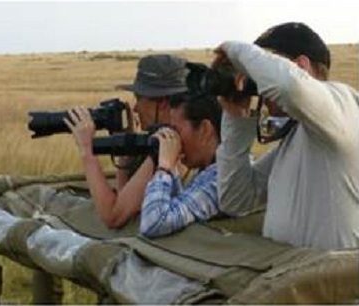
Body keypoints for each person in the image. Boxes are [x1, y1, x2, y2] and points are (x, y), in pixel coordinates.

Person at [214, 22, 359, 250]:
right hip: (294, 280)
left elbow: (288, 86)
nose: (261, 87)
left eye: (261, 70)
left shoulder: (345, 107)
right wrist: (236, 117)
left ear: (301, 67)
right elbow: (236, 199)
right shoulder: (299, 137)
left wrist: (235, 50)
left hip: (338, 283)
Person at [64, 54, 190, 229]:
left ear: (162, 103)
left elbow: (113, 216)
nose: (136, 108)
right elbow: (126, 201)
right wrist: (125, 149)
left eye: (139, 98)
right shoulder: (177, 136)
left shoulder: (173, 145)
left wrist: (87, 151)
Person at [140, 92, 222, 237]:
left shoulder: (220, 180)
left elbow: (153, 223)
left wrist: (164, 168)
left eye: (176, 131)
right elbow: (177, 208)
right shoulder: (209, 172)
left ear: (205, 129)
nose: (174, 139)